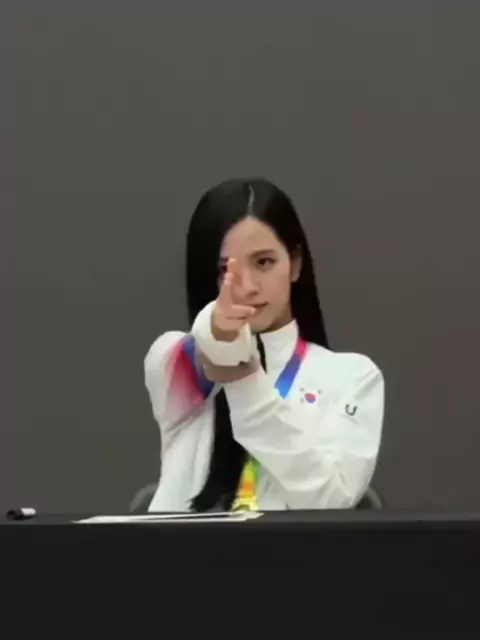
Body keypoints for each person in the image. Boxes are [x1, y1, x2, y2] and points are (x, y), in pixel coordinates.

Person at [144, 178, 384, 512]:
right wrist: (223, 336)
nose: (247, 287)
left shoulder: (352, 377)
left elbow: (330, 500)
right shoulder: (177, 365)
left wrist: (245, 382)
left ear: (295, 263)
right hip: (182, 548)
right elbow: (212, 342)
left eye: (264, 262)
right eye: (225, 269)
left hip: (295, 549)